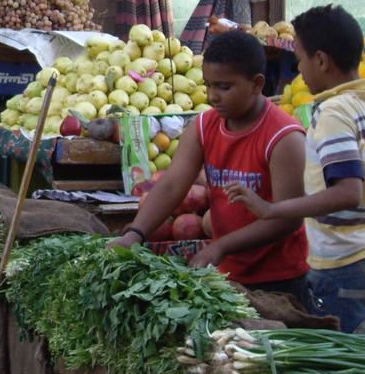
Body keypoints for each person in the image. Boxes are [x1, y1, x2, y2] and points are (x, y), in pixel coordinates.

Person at [225, 5, 365, 339]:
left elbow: (348, 191)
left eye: (302, 58)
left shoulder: (334, 112)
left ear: (321, 61)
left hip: (347, 269)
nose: (298, 68)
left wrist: (271, 209)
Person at [111, 30, 310, 301]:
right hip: (227, 274)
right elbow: (171, 186)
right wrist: (135, 233)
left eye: (224, 87)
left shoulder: (284, 137)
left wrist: (222, 246)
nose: (213, 96)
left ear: (257, 84)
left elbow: (288, 218)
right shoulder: (204, 126)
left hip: (280, 279)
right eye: (209, 85)